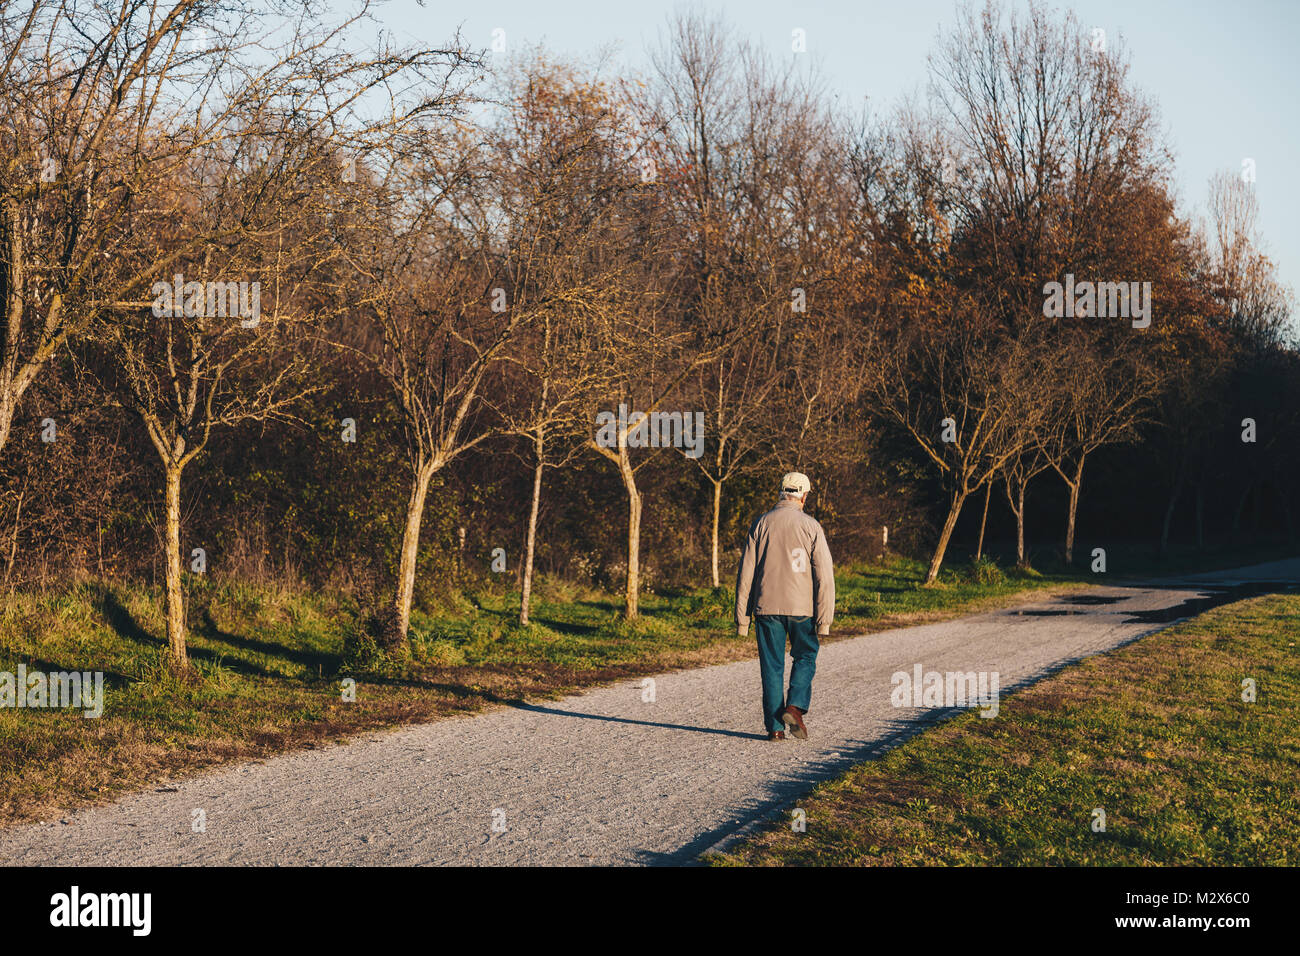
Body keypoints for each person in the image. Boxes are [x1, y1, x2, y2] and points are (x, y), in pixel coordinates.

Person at [734, 472, 835, 741]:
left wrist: (742, 619)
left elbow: (746, 573)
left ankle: (775, 728)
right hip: (802, 609)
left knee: (772, 666)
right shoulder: (811, 526)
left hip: (766, 608)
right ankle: (795, 706)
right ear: (803, 495)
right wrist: (825, 619)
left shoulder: (760, 523)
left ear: (781, 492)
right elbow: (824, 576)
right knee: (805, 656)